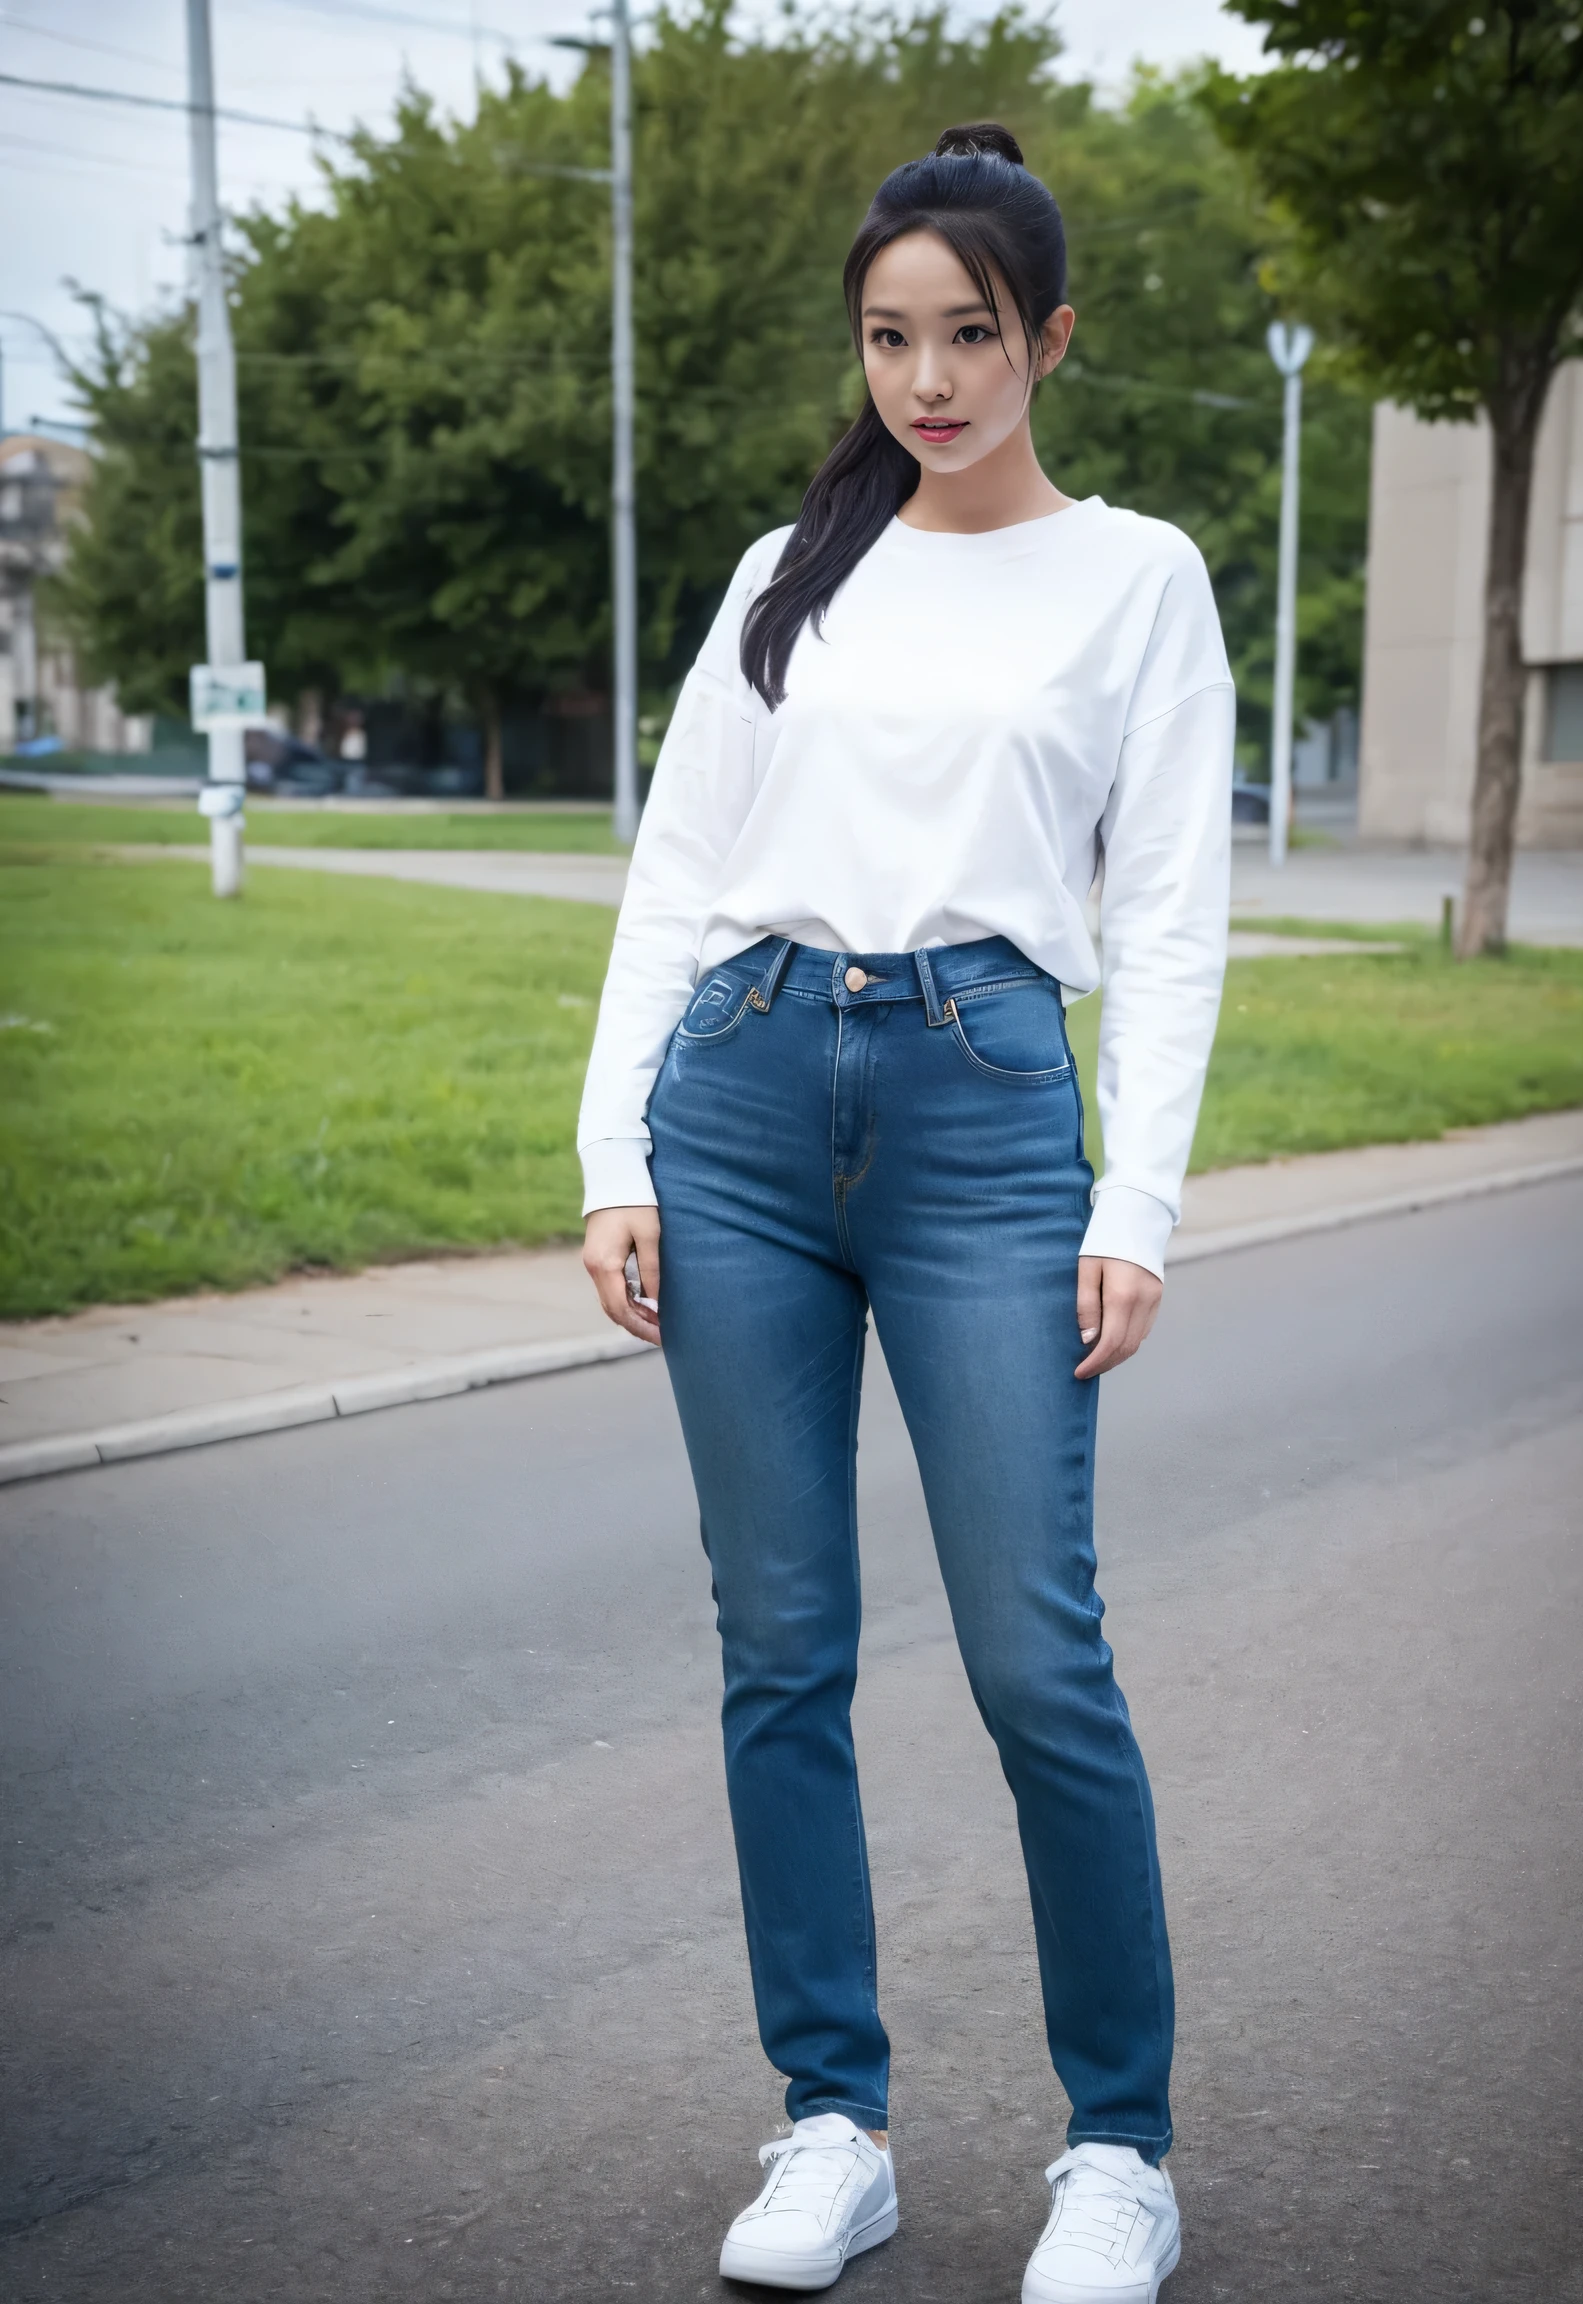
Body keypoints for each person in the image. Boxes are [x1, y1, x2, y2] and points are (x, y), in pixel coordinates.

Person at [579, 121, 1233, 2303]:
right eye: (890, 337)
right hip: (743, 1105)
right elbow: (676, 879)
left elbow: (1165, 909)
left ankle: (1118, 2150)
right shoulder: (792, 571)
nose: (928, 378)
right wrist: (614, 1154)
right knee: (782, 1651)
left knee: (1038, 1653)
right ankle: (832, 2124)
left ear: (1050, 336)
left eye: (969, 335)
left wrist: (1135, 1197)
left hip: (982, 1118)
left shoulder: (1138, 575)